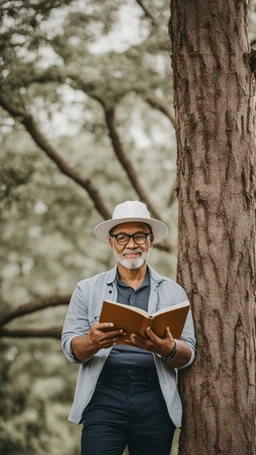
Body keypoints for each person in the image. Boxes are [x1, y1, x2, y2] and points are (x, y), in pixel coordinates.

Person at [62, 200, 196, 455]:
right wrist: (92, 342)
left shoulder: (174, 292)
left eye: (138, 236)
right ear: (112, 242)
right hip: (103, 398)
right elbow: (70, 349)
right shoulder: (87, 289)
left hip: (155, 399)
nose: (131, 245)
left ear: (151, 240)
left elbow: (189, 354)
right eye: (122, 237)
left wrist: (167, 349)